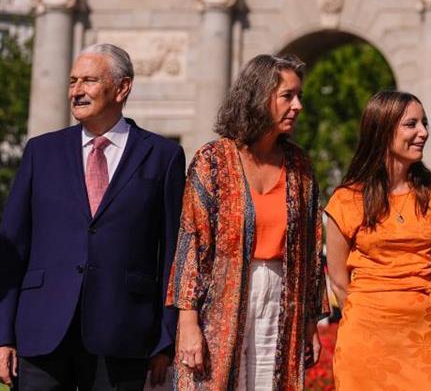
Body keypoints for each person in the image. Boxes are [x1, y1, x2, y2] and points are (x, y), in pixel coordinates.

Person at [0, 44, 185, 390]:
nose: (76, 91)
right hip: (42, 329)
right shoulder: (41, 152)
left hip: (124, 331)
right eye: (72, 81)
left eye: (88, 80)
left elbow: (174, 254)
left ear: (122, 87)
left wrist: (166, 337)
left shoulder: (164, 156)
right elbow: (12, 245)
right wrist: (2, 335)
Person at [167, 54, 327, 390]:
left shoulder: (299, 164)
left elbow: (312, 250)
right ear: (258, 97)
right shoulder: (212, 160)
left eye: (299, 96)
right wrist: (188, 321)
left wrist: (311, 323)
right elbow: (191, 244)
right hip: (219, 304)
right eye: (287, 96)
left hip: (284, 300)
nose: (297, 106)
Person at [324, 91, 431, 390]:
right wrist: (375, 313)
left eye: (424, 123)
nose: (423, 132)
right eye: (411, 124)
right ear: (383, 130)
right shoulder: (346, 201)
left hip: (425, 338)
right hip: (366, 340)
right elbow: (338, 282)